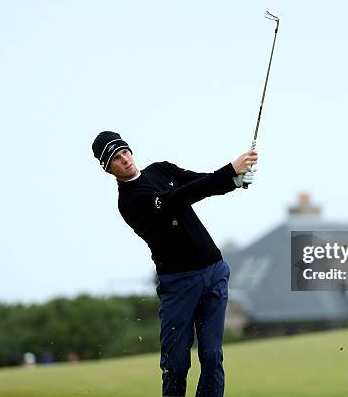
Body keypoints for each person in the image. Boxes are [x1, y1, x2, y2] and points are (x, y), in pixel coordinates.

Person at [92, 131, 257, 397]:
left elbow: (201, 182)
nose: (124, 159)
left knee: (213, 355)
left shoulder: (161, 170)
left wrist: (234, 180)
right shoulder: (130, 202)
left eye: (124, 152)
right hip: (179, 284)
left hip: (214, 271)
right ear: (107, 168)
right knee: (176, 364)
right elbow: (177, 199)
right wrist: (229, 170)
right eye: (115, 158)